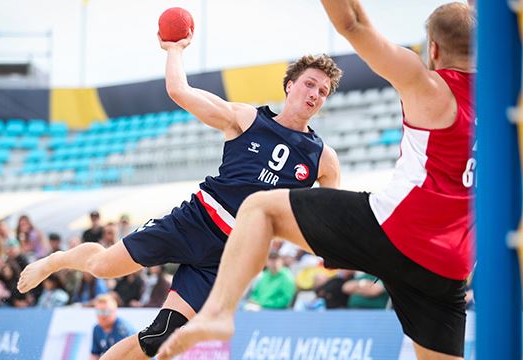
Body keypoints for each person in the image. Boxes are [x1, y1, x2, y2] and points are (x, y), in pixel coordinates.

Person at [157, 2, 475, 360]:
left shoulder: (429, 85)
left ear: (432, 49)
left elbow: (353, 22)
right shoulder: (506, 104)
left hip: (394, 231)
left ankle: (218, 313)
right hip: (451, 265)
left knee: (260, 206)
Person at [18, 29, 342, 358]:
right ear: (290, 85)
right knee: (102, 266)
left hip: (228, 255)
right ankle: (56, 261)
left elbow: (332, 220)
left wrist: (341, 253)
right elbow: (178, 90)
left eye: (323, 91)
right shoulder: (246, 118)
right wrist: (175, 49)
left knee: (159, 338)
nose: (315, 94)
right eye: (309, 84)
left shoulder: (323, 159)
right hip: (193, 222)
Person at [90, 294, 135, 359]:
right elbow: (95, 354)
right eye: (99, 312)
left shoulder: (123, 330)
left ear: (114, 311)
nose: (102, 316)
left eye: (106, 312)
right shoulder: (97, 329)